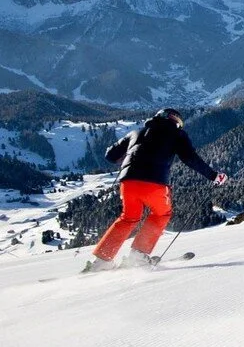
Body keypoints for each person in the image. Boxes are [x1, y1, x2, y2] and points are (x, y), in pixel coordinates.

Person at [84, 108, 227, 272]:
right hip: (155, 183)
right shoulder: (177, 135)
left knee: (128, 218)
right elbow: (190, 158)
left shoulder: (136, 133)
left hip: (128, 182)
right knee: (161, 214)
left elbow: (110, 155)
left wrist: (129, 156)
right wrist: (213, 176)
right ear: (176, 121)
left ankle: (102, 260)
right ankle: (138, 255)